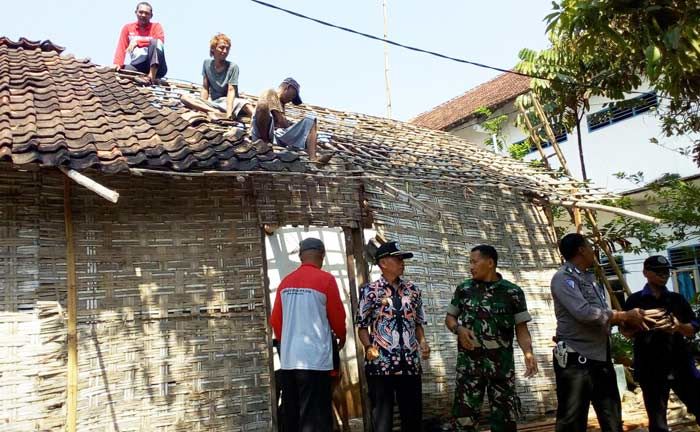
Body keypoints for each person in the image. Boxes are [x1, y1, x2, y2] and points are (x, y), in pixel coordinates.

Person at [550, 233, 649, 432]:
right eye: (589, 246)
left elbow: (600, 317)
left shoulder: (589, 278)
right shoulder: (563, 278)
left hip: (600, 357)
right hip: (576, 359)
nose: (592, 250)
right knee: (572, 420)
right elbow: (585, 313)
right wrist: (623, 315)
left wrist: (622, 325)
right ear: (581, 250)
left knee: (611, 416)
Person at [444, 244, 538, 432]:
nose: (471, 266)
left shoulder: (512, 292)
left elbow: (521, 328)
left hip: (501, 369)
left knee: (504, 422)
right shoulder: (464, 289)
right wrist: (458, 329)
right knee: (464, 422)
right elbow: (450, 318)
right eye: (470, 262)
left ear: (490, 263)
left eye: (474, 261)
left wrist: (528, 353)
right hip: (469, 368)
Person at [269, 238, 347, 432]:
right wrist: (342, 336)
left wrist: (285, 344)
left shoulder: (285, 282)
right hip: (315, 361)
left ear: (300, 256)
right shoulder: (326, 280)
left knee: (293, 415)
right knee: (316, 418)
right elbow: (337, 316)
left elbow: (276, 321)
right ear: (322, 255)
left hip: (289, 362)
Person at [356, 241, 430, 432]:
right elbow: (362, 326)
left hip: (410, 365)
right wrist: (368, 347)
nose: (401, 263)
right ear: (383, 263)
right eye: (397, 258)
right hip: (381, 365)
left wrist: (422, 342)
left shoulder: (413, 290)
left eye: (402, 259)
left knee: (412, 418)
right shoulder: (369, 291)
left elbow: (418, 323)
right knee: (382, 420)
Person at [621, 255, 700, 432]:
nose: (664, 275)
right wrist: (643, 325)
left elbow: (694, 326)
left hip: (681, 364)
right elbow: (624, 332)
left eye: (666, 271)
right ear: (645, 273)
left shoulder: (676, 299)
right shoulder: (634, 302)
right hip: (650, 367)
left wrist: (678, 327)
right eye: (658, 272)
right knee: (657, 422)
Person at [252, 78, 331, 163]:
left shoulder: (281, 104)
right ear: (287, 87)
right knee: (263, 106)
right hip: (262, 134)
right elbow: (281, 120)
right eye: (293, 95)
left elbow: (282, 123)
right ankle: (264, 142)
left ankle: (313, 158)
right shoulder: (271, 92)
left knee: (311, 121)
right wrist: (288, 124)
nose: (291, 100)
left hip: (277, 136)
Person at [180, 33, 254, 120]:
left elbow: (231, 90)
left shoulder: (233, 67)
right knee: (185, 98)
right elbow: (205, 88)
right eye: (222, 48)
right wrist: (203, 103)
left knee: (246, 105)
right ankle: (212, 111)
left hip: (230, 102)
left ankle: (260, 120)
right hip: (215, 103)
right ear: (213, 49)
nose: (225, 51)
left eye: (227, 48)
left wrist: (229, 113)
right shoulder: (206, 64)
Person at [113, 2, 167, 84]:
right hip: (137, 66)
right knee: (120, 71)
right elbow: (121, 47)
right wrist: (117, 64)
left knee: (155, 42)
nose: (143, 15)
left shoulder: (156, 27)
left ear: (151, 16)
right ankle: (140, 77)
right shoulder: (127, 28)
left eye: (146, 13)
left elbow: (160, 41)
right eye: (141, 12)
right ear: (136, 13)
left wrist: (138, 42)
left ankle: (151, 77)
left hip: (156, 67)